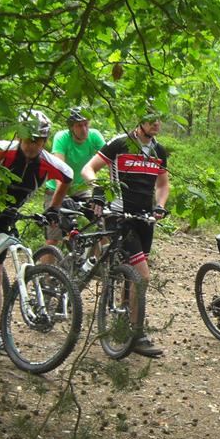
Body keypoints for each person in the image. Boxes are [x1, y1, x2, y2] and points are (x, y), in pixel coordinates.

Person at [0, 109, 73, 355]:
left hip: (5, 218)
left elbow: (68, 177)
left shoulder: (47, 162)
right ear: (19, 135)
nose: (32, 145)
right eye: (28, 139)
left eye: (38, 140)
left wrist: (54, 208)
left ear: (45, 141)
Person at [81, 112, 169, 358]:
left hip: (144, 219)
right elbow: (88, 169)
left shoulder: (158, 150)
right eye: (151, 118)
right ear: (139, 120)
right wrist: (98, 189)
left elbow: (163, 184)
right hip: (119, 216)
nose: (156, 123)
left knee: (132, 275)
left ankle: (123, 324)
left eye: (159, 118)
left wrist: (160, 205)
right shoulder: (120, 144)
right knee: (142, 275)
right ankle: (137, 334)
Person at [42, 107, 106, 247]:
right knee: (53, 236)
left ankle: (97, 259)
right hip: (57, 188)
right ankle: (47, 261)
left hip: (81, 188)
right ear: (71, 127)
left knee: (102, 225)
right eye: (79, 125)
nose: (84, 129)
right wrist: (62, 197)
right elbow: (59, 169)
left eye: (86, 124)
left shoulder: (94, 136)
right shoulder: (62, 138)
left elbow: (110, 157)